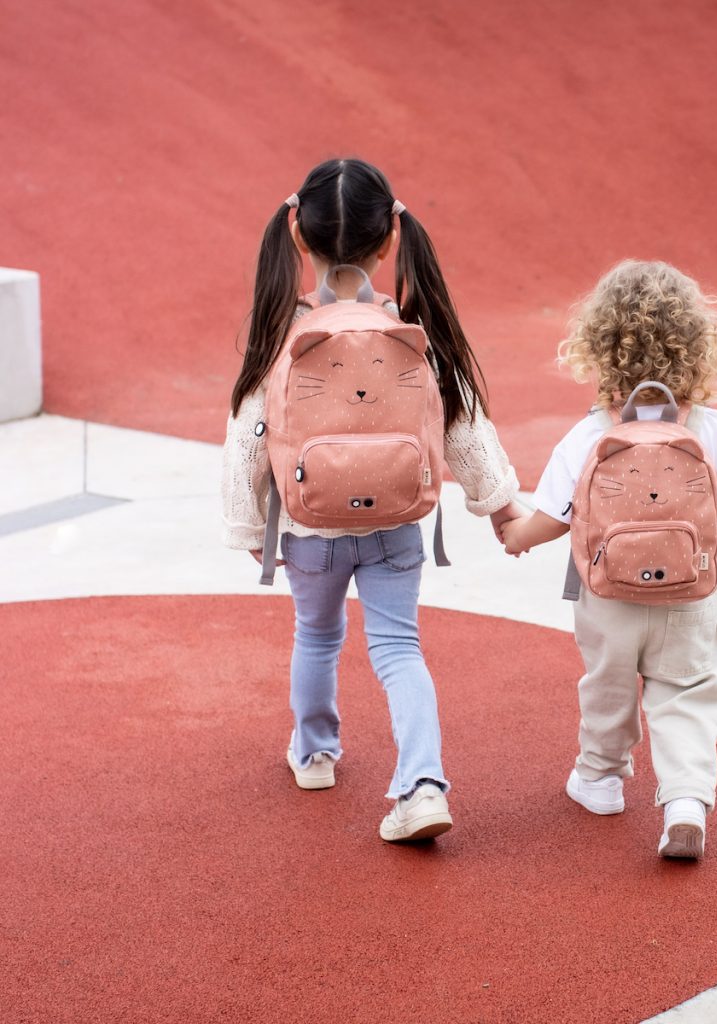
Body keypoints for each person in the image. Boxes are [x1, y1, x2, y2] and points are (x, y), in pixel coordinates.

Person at [221, 157, 522, 843]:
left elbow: (248, 433)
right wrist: (498, 501)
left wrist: (247, 525)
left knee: (318, 636)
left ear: (298, 237)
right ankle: (421, 783)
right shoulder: (407, 329)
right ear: (391, 239)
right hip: (395, 523)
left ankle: (316, 752)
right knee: (398, 647)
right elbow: (462, 421)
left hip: (307, 525)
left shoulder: (283, 332)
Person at [500, 259, 717, 859]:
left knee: (607, 684)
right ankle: (684, 799)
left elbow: (553, 519)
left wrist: (515, 536)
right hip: (691, 592)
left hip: (606, 597)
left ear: (598, 347)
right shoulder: (711, 428)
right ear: (699, 348)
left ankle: (600, 779)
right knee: (686, 690)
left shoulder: (589, 434)